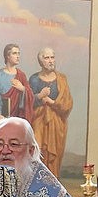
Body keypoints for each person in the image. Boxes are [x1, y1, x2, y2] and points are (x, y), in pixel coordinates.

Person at [29, 48, 73, 177]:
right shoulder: (34, 79)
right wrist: (39, 96)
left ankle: (53, 182)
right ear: (40, 61)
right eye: (47, 58)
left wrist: (52, 102)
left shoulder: (61, 79)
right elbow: (26, 102)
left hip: (56, 123)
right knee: (38, 150)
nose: (50, 61)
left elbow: (67, 103)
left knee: (55, 155)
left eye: (52, 57)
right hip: (39, 121)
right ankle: (37, 180)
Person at [0, 43, 34, 125]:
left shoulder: (21, 75)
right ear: (7, 56)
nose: (18, 56)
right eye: (14, 53)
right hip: (3, 118)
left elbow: (31, 97)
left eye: (18, 53)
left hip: (19, 119)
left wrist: (23, 89)